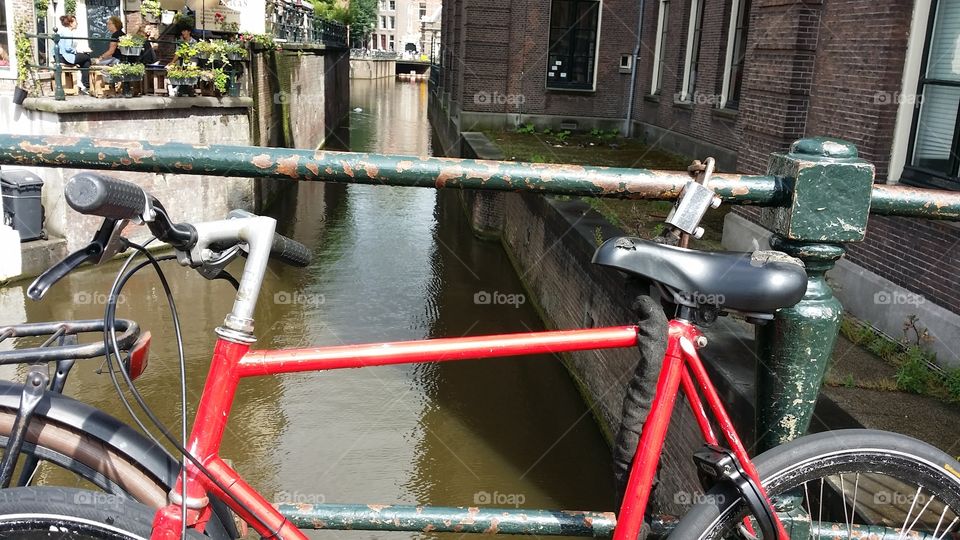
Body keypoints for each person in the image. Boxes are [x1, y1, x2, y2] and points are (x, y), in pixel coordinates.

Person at [57, 15, 92, 94]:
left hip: (59, 56)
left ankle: (85, 86)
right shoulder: (68, 33)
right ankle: (86, 86)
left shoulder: (62, 31)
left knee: (85, 61)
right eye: (75, 22)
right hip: (65, 57)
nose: (77, 23)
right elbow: (68, 48)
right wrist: (77, 51)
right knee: (87, 57)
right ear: (71, 23)